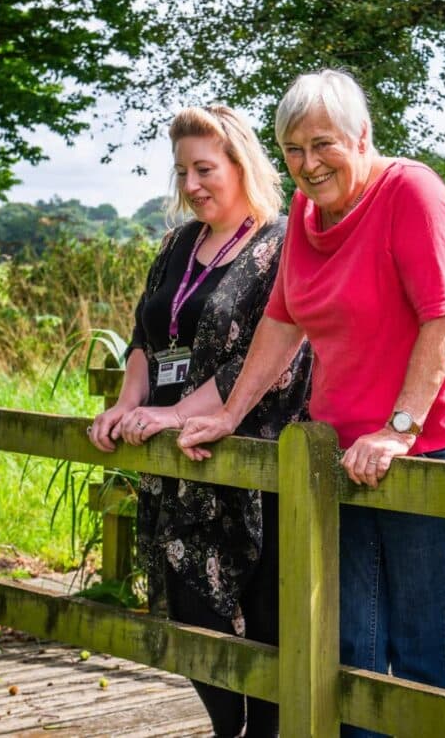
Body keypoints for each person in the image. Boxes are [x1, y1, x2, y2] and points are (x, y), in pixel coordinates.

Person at [178, 70, 445, 738]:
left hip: (425, 444)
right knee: (351, 651)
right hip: (341, 454)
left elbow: (443, 320)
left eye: (323, 144)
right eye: (293, 148)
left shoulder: (411, 191)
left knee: (422, 655)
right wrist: (230, 414)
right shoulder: (306, 218)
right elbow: (283, 322)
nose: (308, 163)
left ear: (362, 137)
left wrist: (399, 430)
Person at [87, 104, 311, 738]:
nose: (191, 186)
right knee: (191, 611)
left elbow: (263, 356)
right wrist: (129, 407)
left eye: (205, 169)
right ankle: (226, 728)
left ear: (241, 165)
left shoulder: (282, 242)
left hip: (250, 459)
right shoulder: (177, 243)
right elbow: (144, 338)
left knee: (266, 623)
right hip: (177, 459)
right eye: (182, 170)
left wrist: (175, 413)